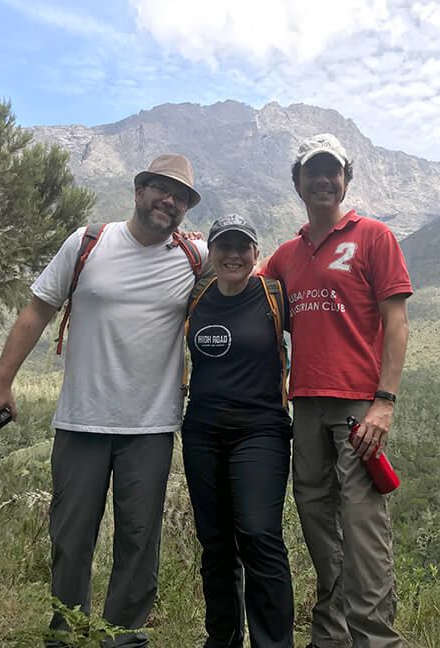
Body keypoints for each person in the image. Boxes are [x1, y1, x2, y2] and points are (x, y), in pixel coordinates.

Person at [0, 154, 208, 648]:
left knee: (139, 541)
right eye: (160, 189)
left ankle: (123, 637)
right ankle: (66, 634)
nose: (169, 201)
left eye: (181, 196)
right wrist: (1, 382)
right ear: (138, 189)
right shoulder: (88, 243)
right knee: (70, 537)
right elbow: (37, 311)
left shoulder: (195, 256)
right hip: (81, 420)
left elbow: (246, 269)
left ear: (187, 207)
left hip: (150, 428)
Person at [262, 134, 411, 648]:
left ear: (346, 179)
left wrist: (384, 403)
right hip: (304, 407)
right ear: (298, 183)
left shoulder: (373, 237)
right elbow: (245, 294)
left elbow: (396, 323)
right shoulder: (285, 257)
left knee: (363, 532)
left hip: (358, 410)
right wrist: (198, 251)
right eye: (313, 172)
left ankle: (375, 640)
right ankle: (330, 637)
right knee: (318, 525)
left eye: (333, 171)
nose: (323, 180)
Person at [182, 214, 294, 648]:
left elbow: (324, 327)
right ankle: (223, 638)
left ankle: (272, 643)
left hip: (261, 429)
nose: (233, 255)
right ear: (210, 253)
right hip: (202, 429)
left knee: (259, 534)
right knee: (214, 540)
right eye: (224, 246)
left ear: (255, 254)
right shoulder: (196, 294)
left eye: (242, 247)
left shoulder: (272, 296)